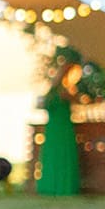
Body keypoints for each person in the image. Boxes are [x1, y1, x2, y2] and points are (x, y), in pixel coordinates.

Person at [38, 62, 83, 197]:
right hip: (60, 128)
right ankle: (61, 187)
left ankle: (55, 186)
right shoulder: (62, 91)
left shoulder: (53, 92)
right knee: (60, 155)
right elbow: (78, 101)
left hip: (58, 127)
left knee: (57, 155)